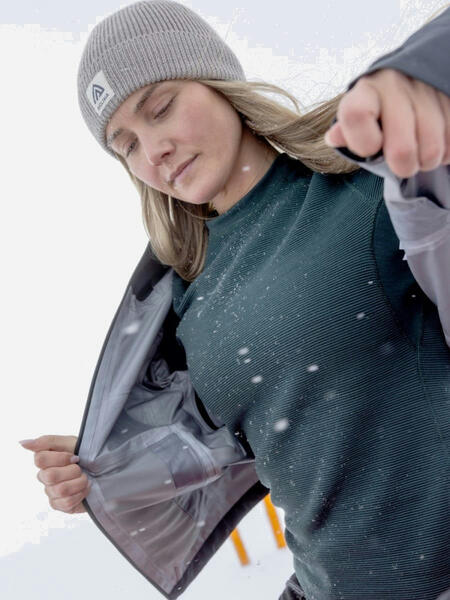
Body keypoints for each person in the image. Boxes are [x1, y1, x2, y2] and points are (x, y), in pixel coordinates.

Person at [19, 1, 450, 599]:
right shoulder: (185, 292)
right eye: (127, 145)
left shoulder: (364, 189)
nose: (153, 151)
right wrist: (107, 468)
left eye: (161, 108)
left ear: (220, 83)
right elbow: (247, 438)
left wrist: (413, 75)